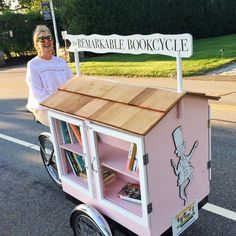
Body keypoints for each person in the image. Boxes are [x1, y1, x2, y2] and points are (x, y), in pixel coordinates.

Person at [26, 25, 73, 126]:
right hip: (44, 107)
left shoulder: (61, 62)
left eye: (49, 38)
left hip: (63, 103)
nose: (46, 41)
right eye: (42, 39)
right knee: (65, 122)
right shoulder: (33, 64)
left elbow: (71, 83)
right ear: (37, 44)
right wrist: (57, 104)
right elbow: (37, 93)